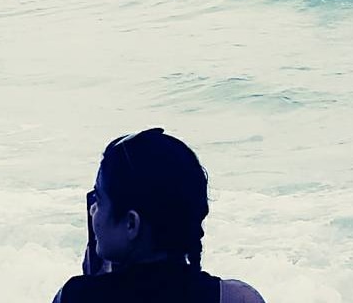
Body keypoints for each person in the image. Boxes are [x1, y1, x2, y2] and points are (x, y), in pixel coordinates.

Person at [52, 128, 267, 303]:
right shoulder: (235, 298)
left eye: (99, 200)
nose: (93, 211)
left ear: (131, 223)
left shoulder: (74, 297)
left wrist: (95, 287)